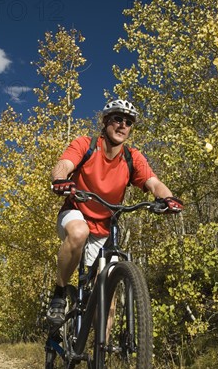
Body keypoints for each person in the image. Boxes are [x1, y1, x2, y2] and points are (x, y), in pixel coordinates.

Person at [47, 99, 183, 326]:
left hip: (104, 228)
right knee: (79, 232)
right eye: (118, 119)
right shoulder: (86, 144)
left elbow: (153, 182)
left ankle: (102, 355)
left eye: (128, 122)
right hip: (76, 212)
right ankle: (59, 295)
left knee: (107, 293)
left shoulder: (132, 157)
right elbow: (64, 165)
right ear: (105, 121)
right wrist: (60, 180)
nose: (123, 125)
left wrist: (168, 199)